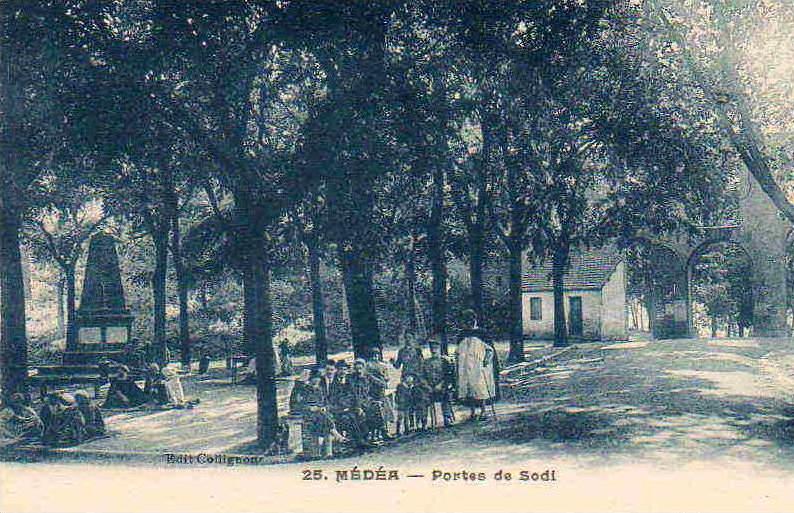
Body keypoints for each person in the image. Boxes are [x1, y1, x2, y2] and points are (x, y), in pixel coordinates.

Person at [455, 310, 499, 421]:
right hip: (465, 366)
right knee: (469, 389)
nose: (469, 323)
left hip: (479, 366)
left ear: (474, 320)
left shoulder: (482, 333)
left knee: (480, 388)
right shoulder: (462, 334)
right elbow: (458, 351)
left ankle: (484, 411)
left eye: (471, 320)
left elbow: (490, 350)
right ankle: (473, 412)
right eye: (467, 321)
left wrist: (487, 360)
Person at [298, 369, 343, 459]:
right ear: (311, 379)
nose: (317, 380)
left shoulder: (320, 390)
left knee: (324, 418)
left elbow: (325, 402)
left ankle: (326, 453)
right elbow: (299, 404)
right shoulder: (304, 390)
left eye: (318, 379)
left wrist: (324, 407)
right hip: (309, 414)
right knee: (324, 419)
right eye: (315, 378)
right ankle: (335, 435)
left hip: (320, 414)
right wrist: (310, 408)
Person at [328, 360, 370, 451]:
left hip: (350, 408)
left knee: (361, 415)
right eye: (340, 369)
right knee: (348, 418)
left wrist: (358, 407)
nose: (343, 372)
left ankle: (361, 440)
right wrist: (342, 408)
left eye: (344, 369)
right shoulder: (332, 382)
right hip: (338, 410)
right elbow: (332, 399)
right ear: (337, 370)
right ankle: (358, 441)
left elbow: (355, 396)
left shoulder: (349, 380)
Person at [423, 341, 455, 427]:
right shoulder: (426, 362)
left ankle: (447, 417)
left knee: (446, 395)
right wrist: (427, 386)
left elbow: (448, 376)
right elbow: (422, 377)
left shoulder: (444, 361)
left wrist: (441, 385)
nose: (434, 351)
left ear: (439, 349)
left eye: (436, 348)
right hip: (430, 389)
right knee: (422, 397)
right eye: (432, 349)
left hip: (442, 387)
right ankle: (424, 421)